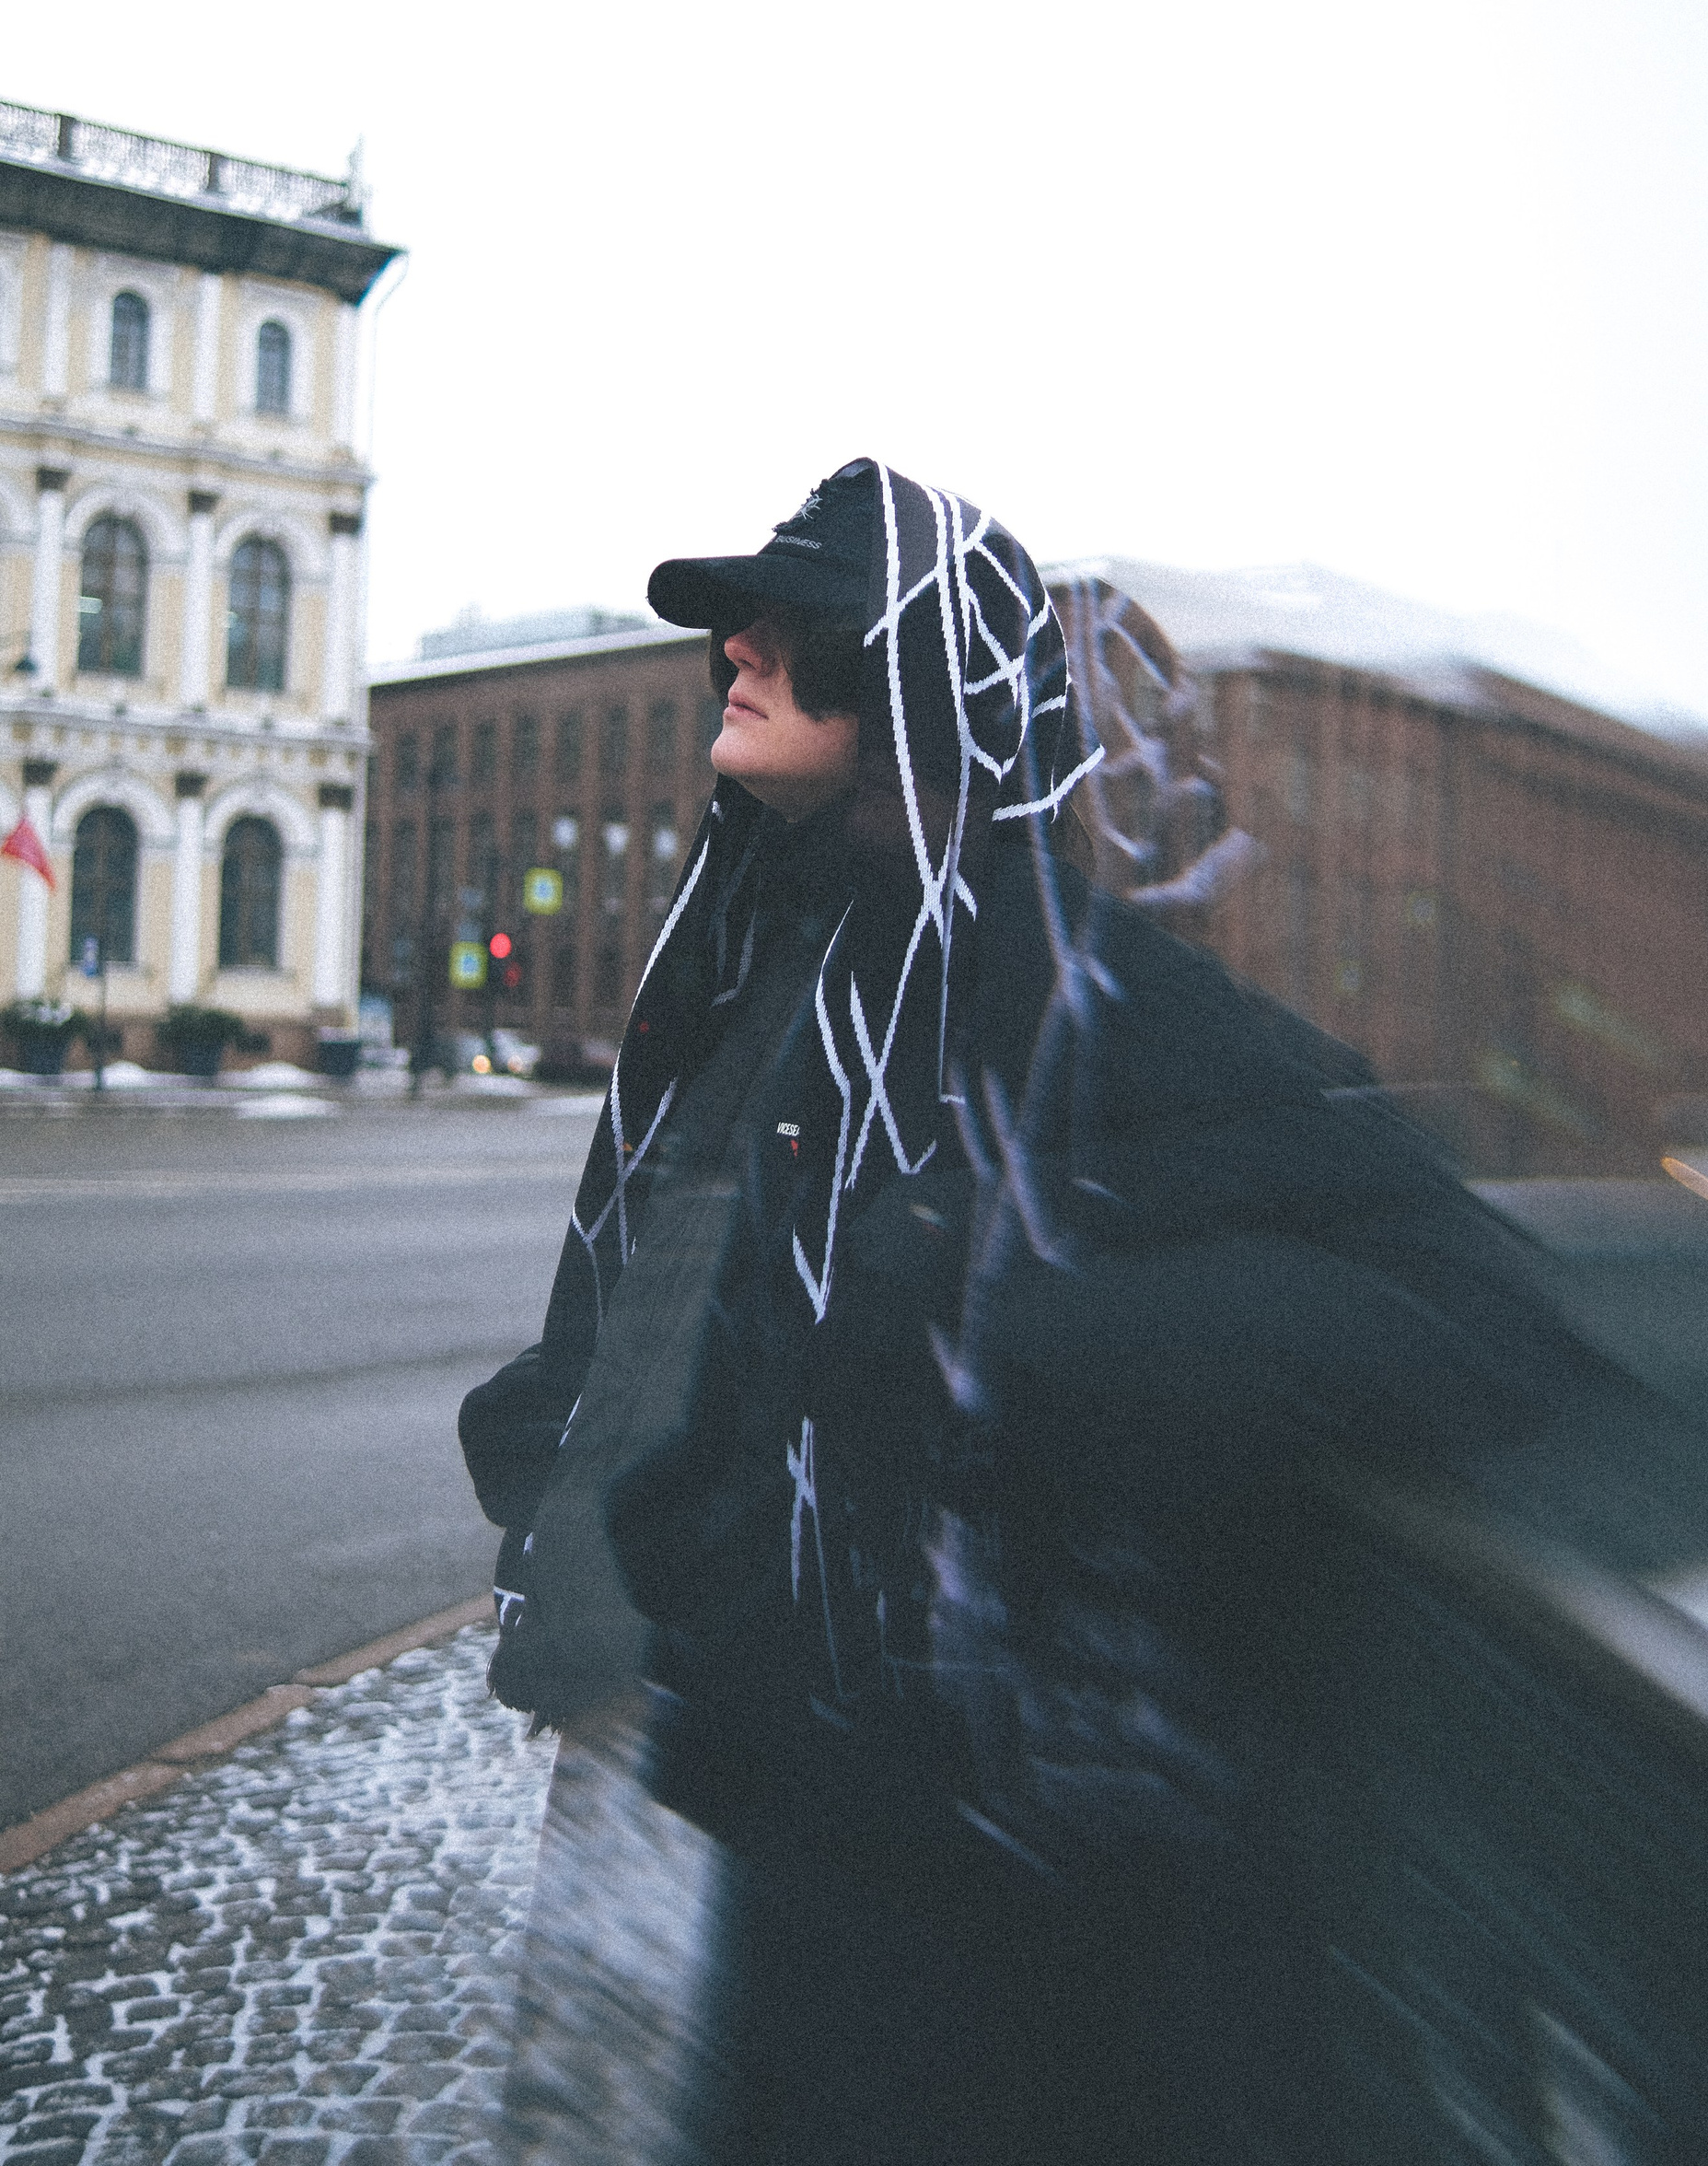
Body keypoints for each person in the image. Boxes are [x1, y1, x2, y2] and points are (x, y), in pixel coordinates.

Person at [460, 458, 1599, 2163]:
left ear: (921, 685)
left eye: (793, 625)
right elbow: (734, 1320)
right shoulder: (807, 977)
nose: (738, 653)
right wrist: (621, 1468)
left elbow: (1484, 1310)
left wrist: (1036, 1332)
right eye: (732, 628)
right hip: (811, 1839)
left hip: (1023, 1912)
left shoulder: (1100, 1004)